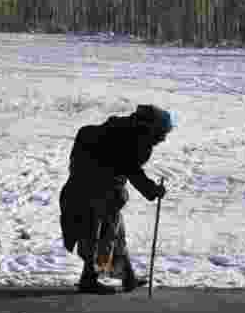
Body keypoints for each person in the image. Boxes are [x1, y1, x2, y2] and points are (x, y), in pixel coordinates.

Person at [59, 104, 174, 294]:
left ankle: (127, 276)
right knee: (99, 238)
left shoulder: (117, 131)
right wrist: (153, 190)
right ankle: (89, 280)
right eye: (161, 133)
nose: (162, 139)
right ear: (151, 128)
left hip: (96, 193)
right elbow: (132, 169)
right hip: (95, 194)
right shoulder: (131, 139)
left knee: (115, 236)